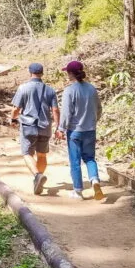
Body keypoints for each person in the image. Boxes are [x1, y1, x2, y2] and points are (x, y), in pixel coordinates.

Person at [55, 60, 104, 200]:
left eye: (67, 73)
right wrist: (93, 121)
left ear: (71, 74)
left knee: (75, 161)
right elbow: (99, 109)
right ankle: (94, 180)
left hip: (75, 131)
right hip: (90, 130)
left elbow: (66, 113)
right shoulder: (92, 89)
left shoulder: (69, 91)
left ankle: (78, 190)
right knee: (89, 158)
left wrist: (61, 129)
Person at [10, 63, 60, 196]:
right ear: (42, 73)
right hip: (45, 127)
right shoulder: (50, 90)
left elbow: (16, 109)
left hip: (28, 126)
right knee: (42, 154)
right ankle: (39, 179)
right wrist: (58, 126)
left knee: (27, 153)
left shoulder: (23, 88)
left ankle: (37, 176)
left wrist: (13, 119)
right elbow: (55, 110)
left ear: (30, 72)